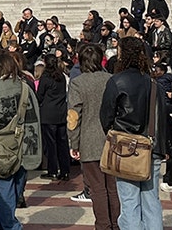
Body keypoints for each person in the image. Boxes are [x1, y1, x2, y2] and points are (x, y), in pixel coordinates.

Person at [99, 36, 167, 230]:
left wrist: (113, 133)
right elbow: (161, 116)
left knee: (129, 201)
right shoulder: (154, 83)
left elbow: (106, 115)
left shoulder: (116, 81)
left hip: (125, 146)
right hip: (151, 146)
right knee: (151, 201)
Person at [0, 49, 42, 230]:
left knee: (5, 194)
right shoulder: (26, 88)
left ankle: (8, 226)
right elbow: (35, 119)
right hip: (23, 146)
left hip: (0, 147)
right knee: (13, 192)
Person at [67, 43, 119, 230]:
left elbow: (74, 116)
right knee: (113, 187)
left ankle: (103, 225)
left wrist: (73, 142)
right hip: (112, 139)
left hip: (89, 139)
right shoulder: (111, 79)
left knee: (97, 188)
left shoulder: (78, 83)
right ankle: (116, 224)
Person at [36, 55, 70, 181]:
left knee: (51, 144)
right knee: (62, 143)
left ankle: (53, 170)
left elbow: (40, 95)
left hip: (48, 114)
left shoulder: (45, 77)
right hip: (60, 112)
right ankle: (65, 170)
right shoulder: (62, 76)